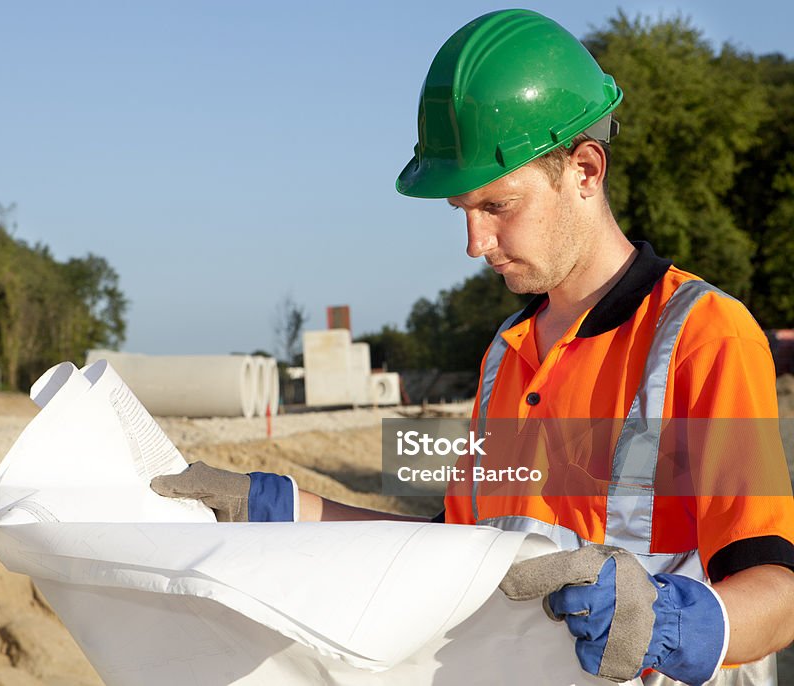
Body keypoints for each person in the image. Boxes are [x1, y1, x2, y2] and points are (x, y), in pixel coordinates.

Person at [151, 9, 794, 684]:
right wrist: (281, 509)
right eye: (462, 211)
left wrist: (670, 622)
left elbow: (777, 593)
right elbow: (455, 546)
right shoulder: (503, 356)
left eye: (498, 207)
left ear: (584, 170)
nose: (475, 244)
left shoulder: (703, 336)